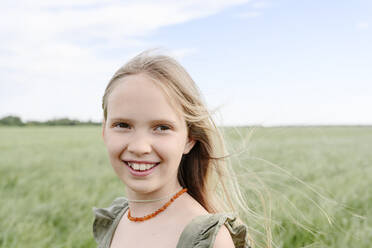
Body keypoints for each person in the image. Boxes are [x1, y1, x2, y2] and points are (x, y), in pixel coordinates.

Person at [93, 50, 251, 248]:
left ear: (189, 139)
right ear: (104, 130)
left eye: (162, 128)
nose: (140, 147)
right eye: (123, 125)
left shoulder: (209, 240)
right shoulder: (116, 220)